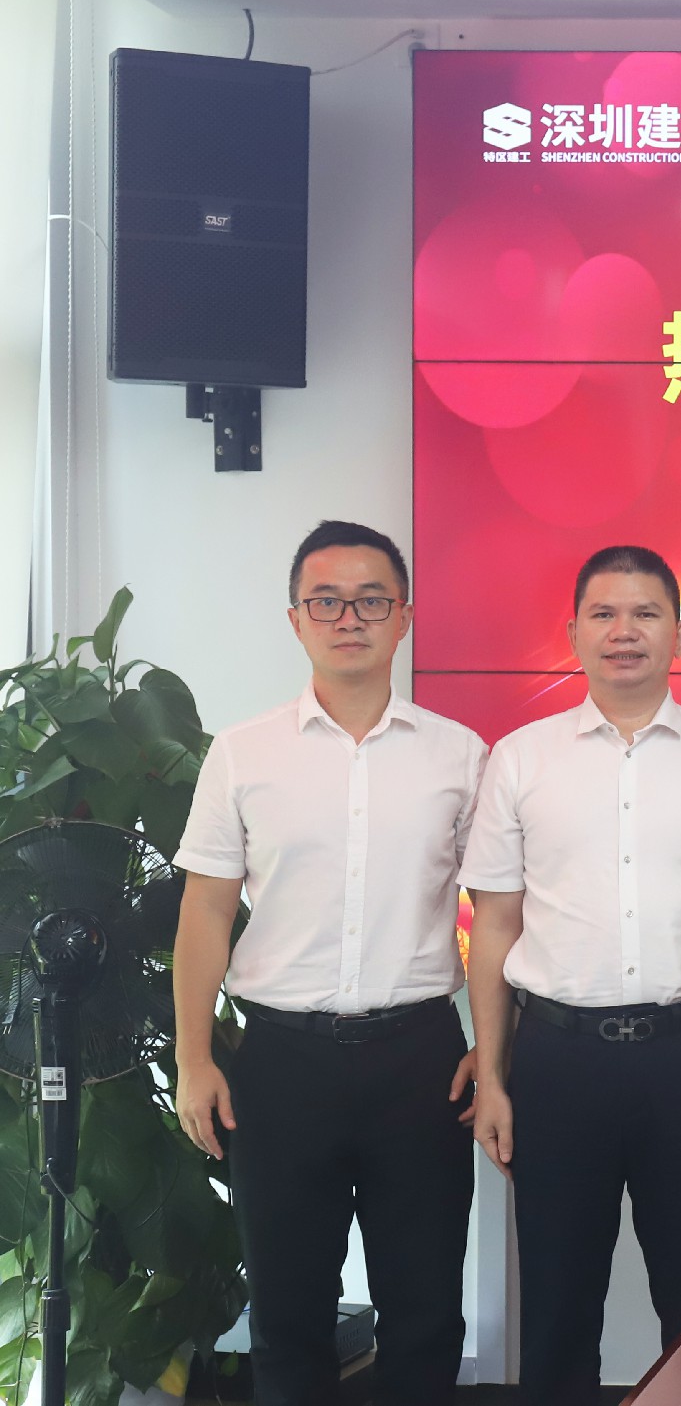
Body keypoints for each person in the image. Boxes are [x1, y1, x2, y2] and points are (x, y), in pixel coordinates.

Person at [170, 521, 485, 1406]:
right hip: (281, 1063)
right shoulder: (244, 752)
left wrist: (495, 1049)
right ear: (296, 619)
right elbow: (205, 911)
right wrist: (193, 1057)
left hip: (420, 1058)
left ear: (404, 616)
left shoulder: (460, 756)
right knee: (288, 1315)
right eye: (327, 600)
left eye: (371, 600)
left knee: (425, 1313)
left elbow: (500, 917)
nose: (350, 617)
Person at [460, 546, 681, 1406]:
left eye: (646, 613)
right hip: (559, 1058)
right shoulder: (521, 757)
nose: (625, 631)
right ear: (575, 632)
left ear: (679, 634)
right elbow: (495, 924)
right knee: (556, 1303)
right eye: (605, 614)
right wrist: (494, 1075)